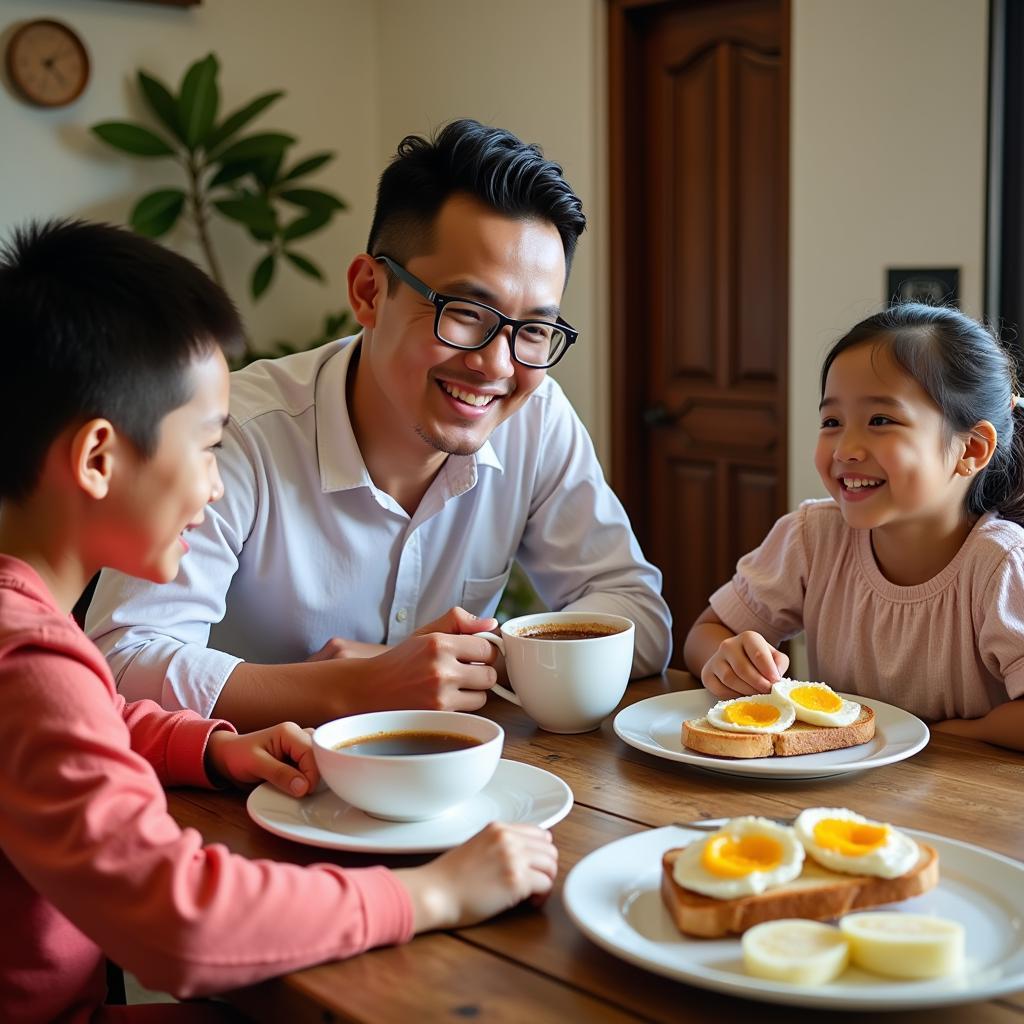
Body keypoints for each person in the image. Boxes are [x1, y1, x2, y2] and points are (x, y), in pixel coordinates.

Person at [0, 219, 558, 1022]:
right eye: (206, 448)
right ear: (98, 459)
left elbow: (91, 714)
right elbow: (181, 921)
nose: (216, 487)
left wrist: (212, 748)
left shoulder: (26, 634)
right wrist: (430, 892)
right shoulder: (29, 660)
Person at [85, 119, 672, 732]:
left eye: (532, 330)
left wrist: (482, 658)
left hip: (453, 783)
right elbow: (121, 661)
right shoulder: (239, 433)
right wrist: (348, 688)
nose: (497, 365)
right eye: (466, 312)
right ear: (369, 291)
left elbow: (639, 616)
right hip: (241, 793)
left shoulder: (537, 416)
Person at [683, 302, 1024, 750]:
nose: (845, 448)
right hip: (833, 791)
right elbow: (704, 635)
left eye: (880, 420)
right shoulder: (811, 535)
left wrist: (934, 737)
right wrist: (729, 660)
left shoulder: (1001, 565)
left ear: (972, 450)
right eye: (831, 421)